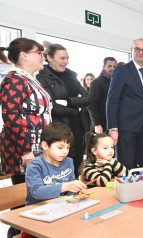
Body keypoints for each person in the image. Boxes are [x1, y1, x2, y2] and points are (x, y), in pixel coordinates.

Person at [0, 38, 53, 238]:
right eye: (39, 53)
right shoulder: (14, 79)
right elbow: (11, 116)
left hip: (36, 149)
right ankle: (18, 234)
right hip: (24, 151)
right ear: (24, 55)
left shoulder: (28, 78)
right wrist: (26, 150)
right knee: (25, 203)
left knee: (34, 202)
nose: (43, 57)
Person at [37, 43, 90, 177]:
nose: (65, 62)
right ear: (49, 57)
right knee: (62, 170)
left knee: (78, 165)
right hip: (60, 129)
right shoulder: (42, 77)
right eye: (62, 58)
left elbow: (87, 99)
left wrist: (67, 101)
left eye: (67, 58)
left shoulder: (71, 75)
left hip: (79, 128)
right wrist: (76, 109)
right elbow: (52, 107)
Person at [106, 38, 143, 170]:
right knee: (126, 166)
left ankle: (137, 190)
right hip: (125, 128)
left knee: (139, 165)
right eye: (137, 49)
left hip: (142, 128)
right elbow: (112, 100)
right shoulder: (122, 71)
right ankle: (126, 191)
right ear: (132, 51)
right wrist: (113, 128)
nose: (141, 52)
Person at [88, 57, 117, 134]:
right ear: (103, 67)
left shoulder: (115, 82)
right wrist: (97, 124)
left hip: (112, 125)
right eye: (109, 66)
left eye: (114, 66)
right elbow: (91, 104)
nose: (112, 69)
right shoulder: (97, 82)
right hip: (100, 127)